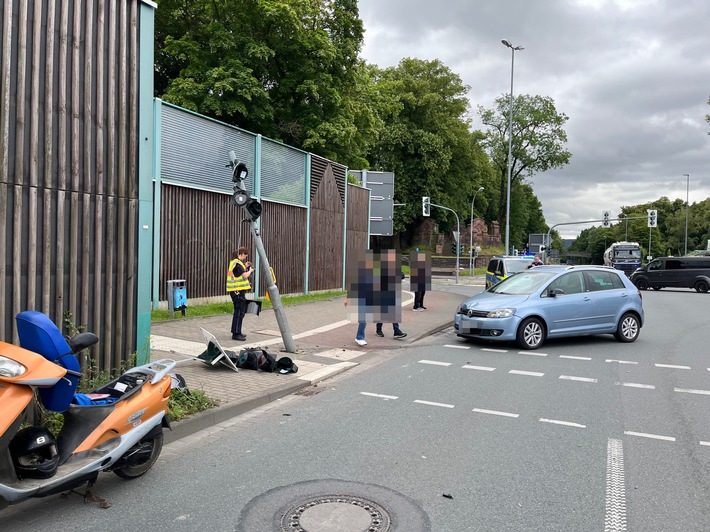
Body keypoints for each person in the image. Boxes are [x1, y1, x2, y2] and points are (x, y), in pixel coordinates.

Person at [227, 247, 255, 341]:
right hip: (237, 291)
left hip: (237, 291)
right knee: (239, 312)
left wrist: (246, 266)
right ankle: (236, 333)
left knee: (240, 312)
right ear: (242, 254)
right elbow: (244, 275)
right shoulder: (237, 264)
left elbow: (238, 273)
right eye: (245, 256)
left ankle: (238, 331)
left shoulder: (236, 263)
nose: (245, 258)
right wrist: (250, 271)